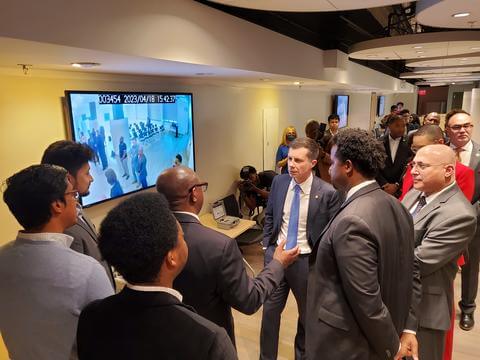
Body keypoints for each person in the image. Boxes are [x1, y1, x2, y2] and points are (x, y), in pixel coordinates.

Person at [77, 193, 237, 360]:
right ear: (171, 257)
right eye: (182, 237)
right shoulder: (210, 340)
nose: (185, 241)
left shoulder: (91, 316)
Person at [156, 166, 299, 345]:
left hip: (165, 341)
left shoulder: (146, 239)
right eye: (201, 186)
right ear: (194, 194)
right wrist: (278, 263)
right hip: (209, 345)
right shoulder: (219, 246)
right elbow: (249, 299)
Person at [306, 129, 415, 360]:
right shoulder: (398, 207)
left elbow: (366, 299)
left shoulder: (351, 219)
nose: (329, 167)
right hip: (387, 328)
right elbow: (410, 273)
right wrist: (405, 327)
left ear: (347, 166)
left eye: (332, 161)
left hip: (349, 344)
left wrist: (392, 346)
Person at [0, 164, 114, 360]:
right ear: (57, 205)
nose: (77, 203)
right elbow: (115, 338)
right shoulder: (86, 270)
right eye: (73, 195)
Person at [260, 137, 341, 360]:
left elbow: (331, 234)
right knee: (269, 314)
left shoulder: (327, 192)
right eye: (289, 159)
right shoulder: (279, 182)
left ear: (313, 163)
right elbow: (270, 215)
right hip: (277, 258)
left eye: (298, 160)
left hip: (306, 262)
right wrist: (268, 246)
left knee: (307, 317)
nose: (291, 164)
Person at [402, 144, 477, 360]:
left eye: (422, 166)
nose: (414, 171)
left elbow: (419, 262)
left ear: (448, 171)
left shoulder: (459, 214)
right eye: (413, 164)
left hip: (424, 311)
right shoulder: (415, 194)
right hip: (399, 298)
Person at [41, 140, 115, 287]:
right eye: (87, 173)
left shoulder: (77, 208)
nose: (91, 178)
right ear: (68, 178)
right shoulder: (64, 226)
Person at [445, 109, 480, 331]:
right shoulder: (440, 153)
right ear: (448, 130)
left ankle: (467, 308)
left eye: (467, 125)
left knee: (470, 266)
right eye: (457, 127)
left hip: (473, 220)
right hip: (444, 220)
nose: (462, 130)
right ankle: (442, 306)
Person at [376, 114, 413, 197]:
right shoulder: (379, 142)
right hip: (382, 187)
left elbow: (409, 167)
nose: (401, 129)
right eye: (397, 125)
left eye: (403, 126)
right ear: (389, 126)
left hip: (401, 188)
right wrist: (384, 183)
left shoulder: (409, 142)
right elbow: (375, 165)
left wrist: (397, 185)